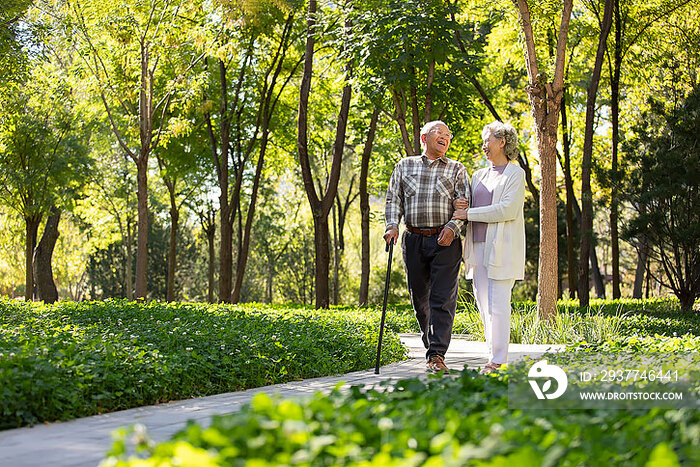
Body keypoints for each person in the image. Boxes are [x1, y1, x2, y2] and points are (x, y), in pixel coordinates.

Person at [384, 120, 470, 372]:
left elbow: (462, 204)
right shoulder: (404, 165)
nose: (445, 137)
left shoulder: (457, 168)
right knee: (419, 297)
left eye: (448, 134)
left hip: (446, 240)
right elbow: (393, 199)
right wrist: (391, 226)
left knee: (442, 298)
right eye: (439, 133)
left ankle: (436, 353)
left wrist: (453, 228)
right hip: (413, 239)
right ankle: (431, 345)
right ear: (424, 138)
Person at [452, 121, 526, 374]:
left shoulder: (515, 174)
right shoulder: (479, 175)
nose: (484, 146)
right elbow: (467, 206)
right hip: (477, 247)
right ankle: (491, 356)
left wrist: (467, 212)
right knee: (484, 305)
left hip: (502, 249)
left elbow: (507, 209)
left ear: (502, 142)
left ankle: (499, 360)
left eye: (487, 140)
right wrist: (462, 205)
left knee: (498, 305)